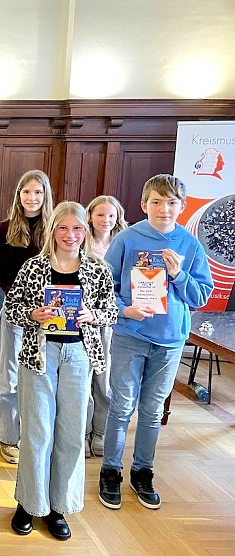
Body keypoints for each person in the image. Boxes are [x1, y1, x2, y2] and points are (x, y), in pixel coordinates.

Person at [4, 202, 117, 541]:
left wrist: (91, 316)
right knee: (38, 433)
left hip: (79, 355)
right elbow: (11, 309)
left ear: (86, 231)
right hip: (39, 354)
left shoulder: (98, 269)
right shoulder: (33, 267)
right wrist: (33, 314)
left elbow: (111, 310)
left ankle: (58, 507)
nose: (70, 235)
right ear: (52, 230)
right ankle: (29, 503)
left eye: (77, 229)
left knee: (69, 435)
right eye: (63, 228)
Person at [99, 175, 213, 511]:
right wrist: (126, 310)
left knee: (151, 410)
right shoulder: (126, 239)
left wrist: (179, 275)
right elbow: (104, 289)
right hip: (130, 335)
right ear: (144, 204)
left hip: (170, 340)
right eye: (157, 202)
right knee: (121, 406)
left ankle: (142, 470)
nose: (165, 209)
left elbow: (201, 295)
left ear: (182, 206)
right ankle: (110, 470)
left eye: (172, 202)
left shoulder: (189, 245)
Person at [0, 170, 54, 464]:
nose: (32, 198)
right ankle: (8, 437)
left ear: (46, 196)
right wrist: (22, 302)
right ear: (19, 196)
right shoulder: (5, 228)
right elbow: (3, 274)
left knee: (42, 377)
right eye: (27, 192)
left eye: (38, 193)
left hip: (49, 314)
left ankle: (35, 435)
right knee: (10, 378)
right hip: (17, 310)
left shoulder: (55, 227)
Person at [84, 195, 127, 457]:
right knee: (81, 379)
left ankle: (100, 431)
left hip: (110, 321)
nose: (106, 220)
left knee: (104, 379)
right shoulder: (80, 240)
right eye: (100, 214)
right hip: (83, 319)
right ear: (90, 216)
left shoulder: (123, 244)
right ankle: (82, 431)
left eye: (111, 215)